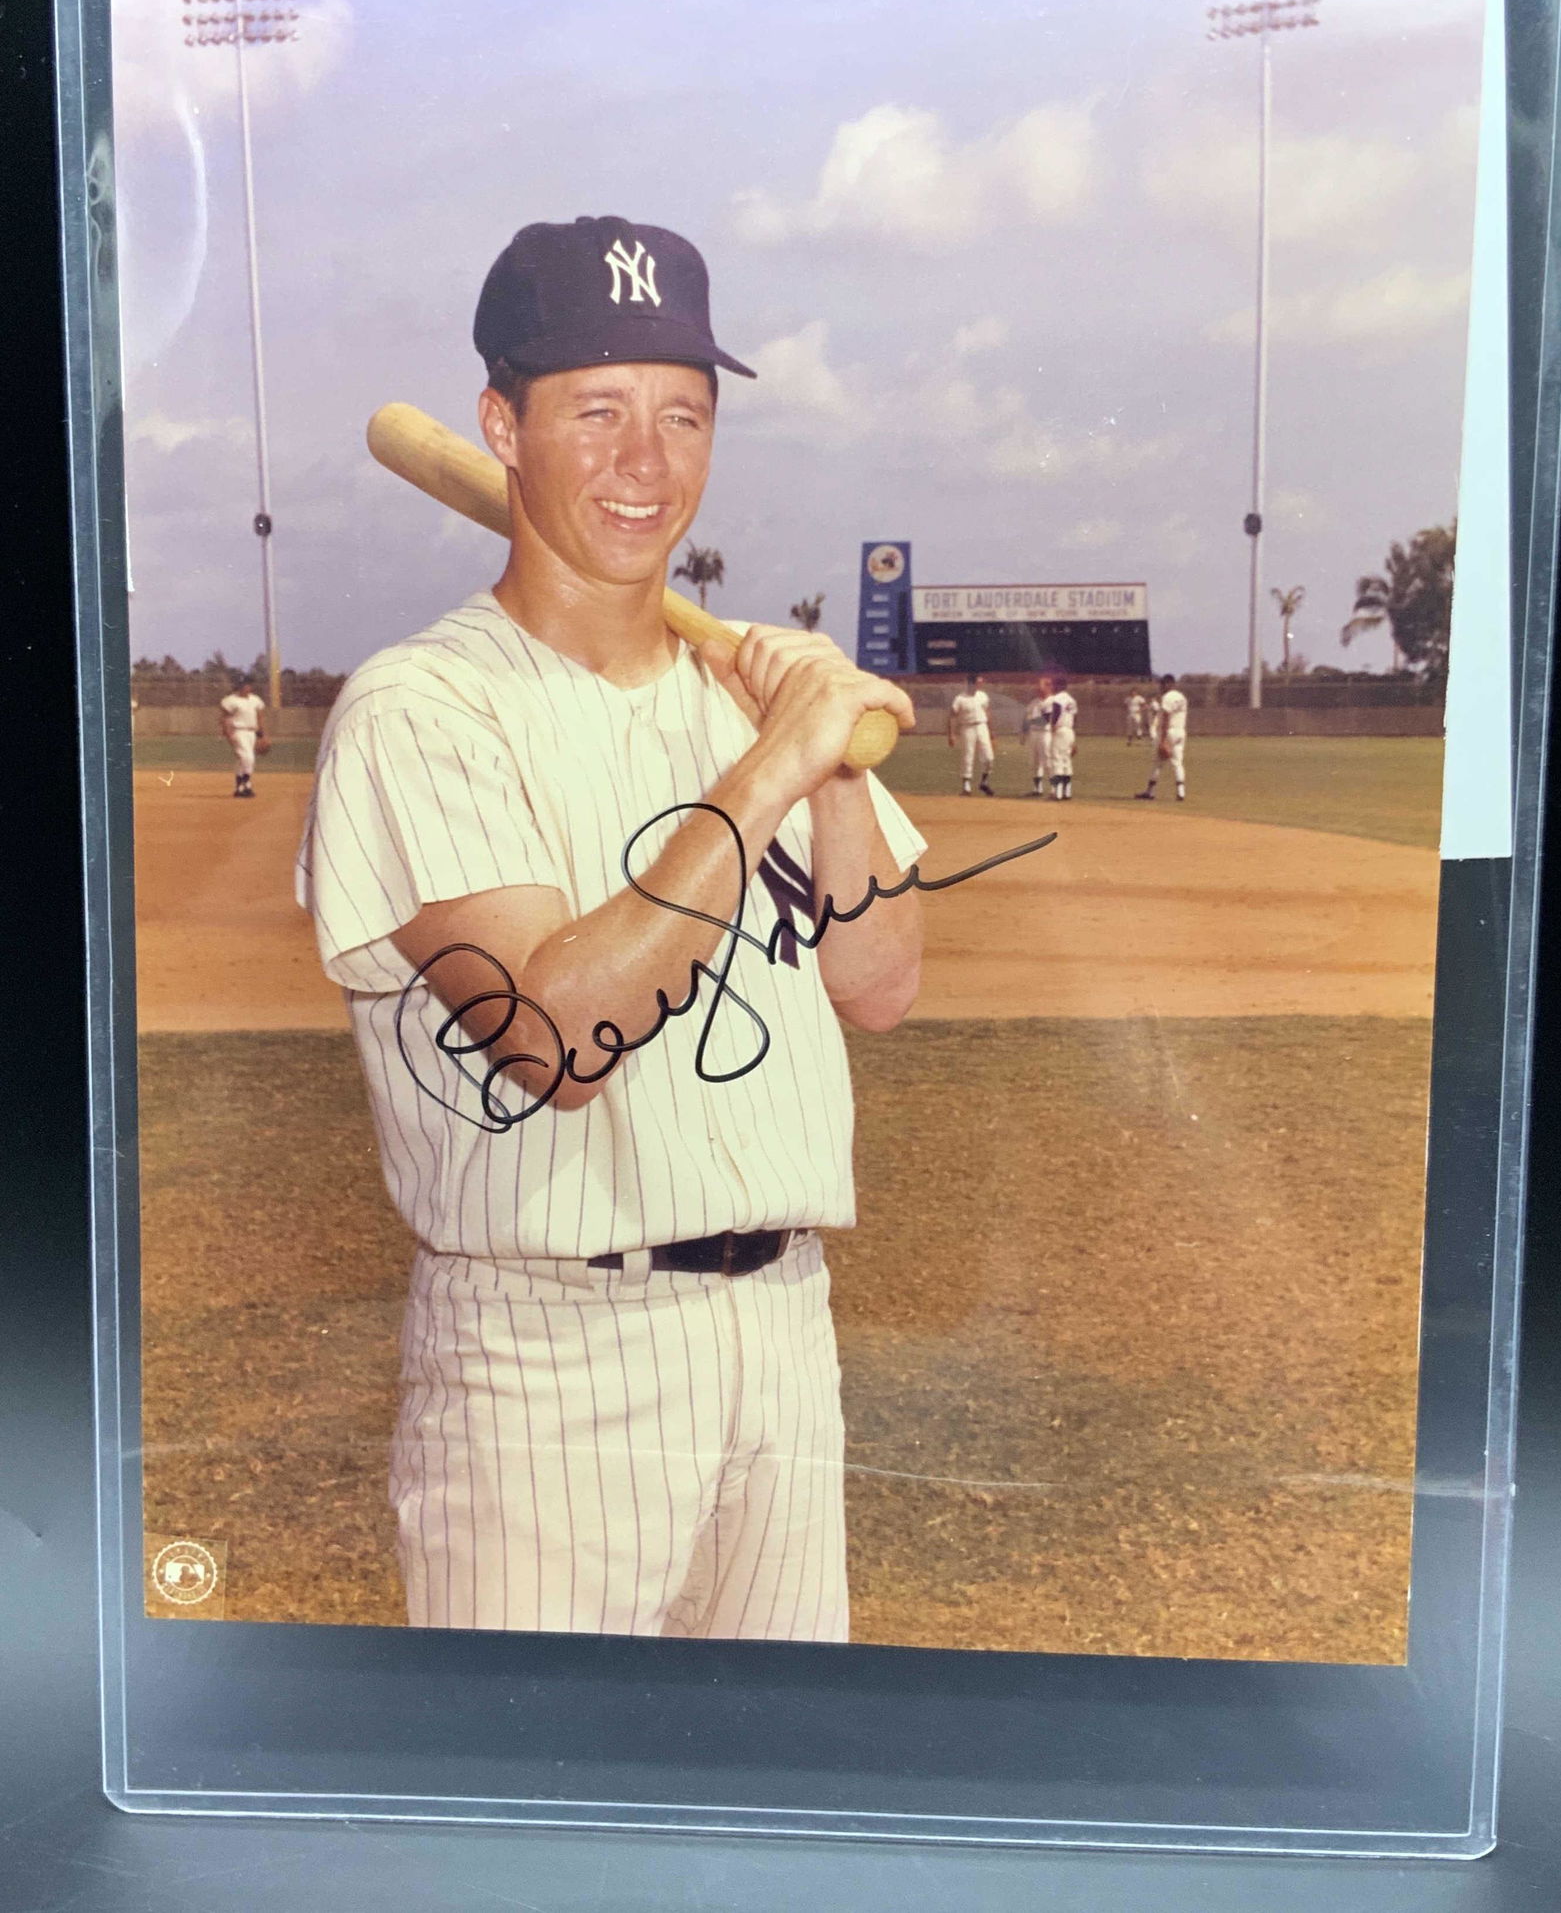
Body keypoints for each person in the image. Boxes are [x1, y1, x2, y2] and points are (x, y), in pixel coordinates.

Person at [296, 214, 924, 1642]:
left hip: (785, 1333)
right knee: (540, 1782)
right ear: (500, 428)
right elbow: (554, 1036)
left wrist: (826, 772)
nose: (647, 461)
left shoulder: (746, 702)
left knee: (777, 1775)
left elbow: (880, 984)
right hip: (550, 1362)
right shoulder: (422, 709)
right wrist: (769, 768)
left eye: (683, 416)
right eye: (597, 411)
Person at [1136, 673, 1188, 802]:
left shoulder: (1167, 697)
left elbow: (1166, 717)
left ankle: (1150, 792)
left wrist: (1163, 741)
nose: (1161, 687)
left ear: (1168, 684)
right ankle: (1181, 792)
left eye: (1162, 684)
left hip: (1169, 732)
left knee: (1158, 763)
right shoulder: (1182, 697)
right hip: (1180, 732)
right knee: (1178, 762)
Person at [218, 675, 269, 798]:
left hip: (252, 732)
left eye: (247, 684)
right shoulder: (230, 700)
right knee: (248, 758)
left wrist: (262, 735)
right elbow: (224, 718)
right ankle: (247, 783)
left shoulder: (255, 700)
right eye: (243, 685)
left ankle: (240, 788)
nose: (246, 687)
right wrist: (228, 734)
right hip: (238, 731)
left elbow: (260, 717)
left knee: (242, 761)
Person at [948, 673, 994, 795]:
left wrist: (992, 732)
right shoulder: (960, 698)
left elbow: (987, 712)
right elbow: (952, 716)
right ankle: (966, 786)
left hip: (982, 726)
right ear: (971, 683)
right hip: (967, 727)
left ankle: (984, 782)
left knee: (989, 757)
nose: (980, 685)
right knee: (968, 755)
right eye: (978, 683)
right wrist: (951, 734)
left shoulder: (982, 696)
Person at [1020, 675, 1054, 796]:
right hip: (1033, 733)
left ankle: (1054, 789)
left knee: (1047, 760)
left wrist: (1031, 721)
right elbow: (1026, 718)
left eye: (1041, 685)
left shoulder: (1052, 701)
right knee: (1034, 762)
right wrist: (1023, 733)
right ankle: (1037, 788)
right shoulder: (1034, 702)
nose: (1038, 688)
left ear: (1049, 687)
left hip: (1045, 733)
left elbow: (1046, 720)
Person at [1046, 673, 1078, 803]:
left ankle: (1058, 793)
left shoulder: (1057, 698)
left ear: (1058, 686)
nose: (1052, 687)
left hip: (1060, 730)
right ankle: (1067, 792)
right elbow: (1075, 718)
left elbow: (1057, 712)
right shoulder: (1072, 700)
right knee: (1066, 760)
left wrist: (1052, 726)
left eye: (1054, 685)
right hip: (1070, 730)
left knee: (1057, 759)